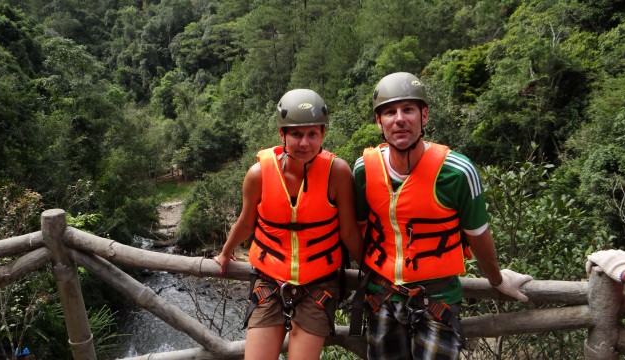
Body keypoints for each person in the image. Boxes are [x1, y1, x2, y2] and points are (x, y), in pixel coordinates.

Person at [351, 72, 533, 360]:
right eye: (389, 112)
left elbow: (478, 235)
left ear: (424, 115)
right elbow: (359, 228)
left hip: (437, 299)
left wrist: (496, 279)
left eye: (408, 109)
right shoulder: (363, 169)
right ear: (379, 121)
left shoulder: (457, 172)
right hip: (382, 296)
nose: (399, 119)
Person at [214, 89, 362, 360]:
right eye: (296, 134)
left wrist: (373, 269)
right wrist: (225, 252)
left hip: (319, 285)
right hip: (269, 282)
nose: (304, 143)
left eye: (312, 134)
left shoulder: (337, 173)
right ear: (282, 135)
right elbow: (247, 221)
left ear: (322, 135)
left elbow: (349, 231)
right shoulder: (258, 174)